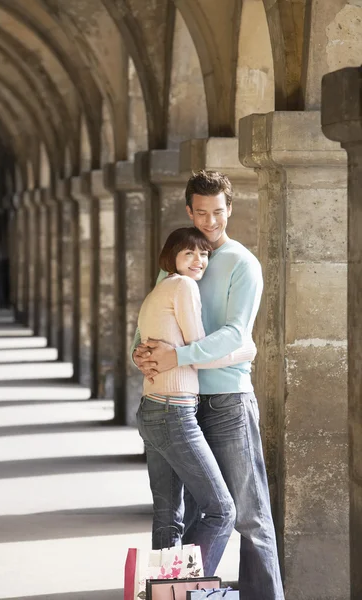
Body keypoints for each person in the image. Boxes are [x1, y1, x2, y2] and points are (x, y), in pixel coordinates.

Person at [132, 171, 284, 600]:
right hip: (181, 403)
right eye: (201, 213)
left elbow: (238, 334)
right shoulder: (180, 261)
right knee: (189, 511)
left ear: (229, 209)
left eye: (217, 212)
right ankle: (182, 592)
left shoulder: (243, 263)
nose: (210, 221)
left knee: (249, 517)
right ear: (189, 211)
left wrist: (177, 356)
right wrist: (140, 355)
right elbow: (148, 327)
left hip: (228, 402)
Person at [136, 226, 256, 577]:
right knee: (221, 511)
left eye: (203, 253)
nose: (199, 260)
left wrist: (177, 355)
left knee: (167, 518)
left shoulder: (159, 290)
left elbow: (174, 350)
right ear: (171, 257)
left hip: (152, 408)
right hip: (174, 413)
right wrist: (244, 350)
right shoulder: (184, 286)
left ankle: (163, 594)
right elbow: (198, 351)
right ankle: (187, 589)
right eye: (189, 253)